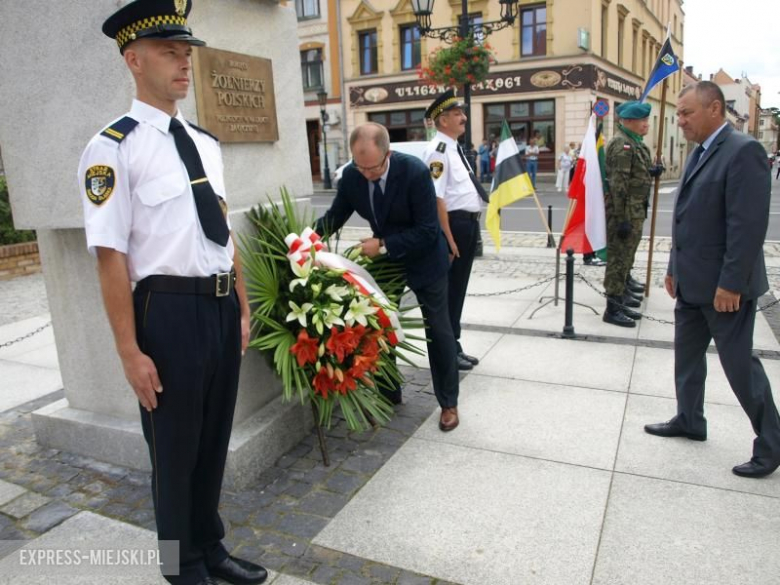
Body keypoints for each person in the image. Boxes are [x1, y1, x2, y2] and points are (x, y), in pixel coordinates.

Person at [79, 2, 267, 583]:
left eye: (187, 53)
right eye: (170, 53)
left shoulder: (204, 142)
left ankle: (209, 550)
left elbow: (222, 229)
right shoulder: (113, 147)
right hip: (166, 313)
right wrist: (129, 351)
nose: (185, 64)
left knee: (212, 442)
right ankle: (177, 565)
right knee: (173, 452)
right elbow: (111, 258)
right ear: (134, 60)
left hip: (216, 309)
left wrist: (240, 302)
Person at [645, 81, 780, 479]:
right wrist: (673, 266)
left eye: (686, 113)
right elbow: (686, 215)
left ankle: (771, 443)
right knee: (686, 359)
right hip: (691, 281)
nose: (680, 120)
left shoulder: (743, 152)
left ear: (715, 109)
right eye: (679, 114)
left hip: (725, 289)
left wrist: (732, 283)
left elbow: (747, 226)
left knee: (739, 366)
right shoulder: (699, 151)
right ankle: (690, 418)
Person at [315, 123, 461, 431]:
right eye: (360, 166)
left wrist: (381, 245)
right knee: (379, 325)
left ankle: (448, 403)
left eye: (373, 167)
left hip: (424, 258)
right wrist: (305, 242)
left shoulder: (414, 172)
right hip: (388, 262)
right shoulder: (353, 177)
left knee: (439, 330)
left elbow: (426, 230)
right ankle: (388, 392)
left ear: (388, 154)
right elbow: (333, 218)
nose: (367, 173)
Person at [422, 90, 489, 372]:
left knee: (457, 292)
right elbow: (437, 199)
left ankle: (455, 345)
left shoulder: (454, 147)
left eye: (462, 113)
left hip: (467, 225)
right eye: (457, 114)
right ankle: (448, 352)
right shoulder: (437, 152)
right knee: (449, 294)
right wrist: (448, 240)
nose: (464, 117)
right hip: (455, 227)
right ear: (442, 120)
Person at [602, 101, 663, 327]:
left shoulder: (633, 143)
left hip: (635, 210)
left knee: (626, 256)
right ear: (628, 121)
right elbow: (619, 186)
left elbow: (633, 175)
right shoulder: (622, 145)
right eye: (643, 120)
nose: (647, 124)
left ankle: (622, 297)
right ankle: (613, 308)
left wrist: (650, 171)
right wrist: (622, 219)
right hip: (624, 214)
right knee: (618, 259)